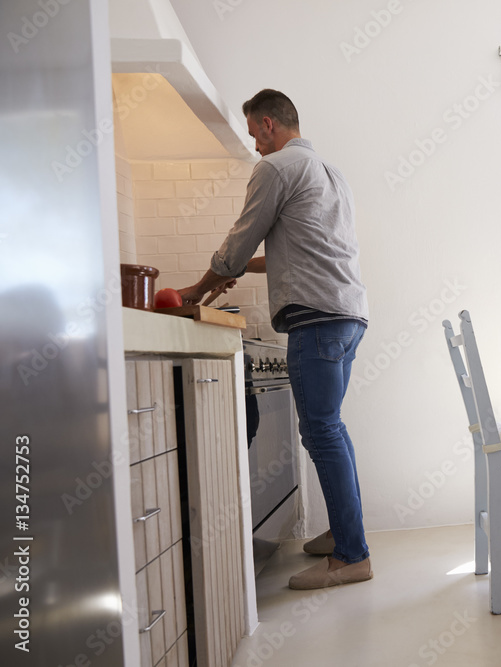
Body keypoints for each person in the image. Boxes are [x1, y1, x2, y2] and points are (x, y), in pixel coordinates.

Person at [178, 89, 372, 590]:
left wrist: (198, 288)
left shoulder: (275, 168)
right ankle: (344, 535)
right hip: (348, 316)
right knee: (333, 429)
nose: (255, 149)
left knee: (322, 431)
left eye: (253, 136)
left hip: (315, 319)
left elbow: (242, 238)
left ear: (267, 124)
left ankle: (352, 556)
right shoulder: (330, 172)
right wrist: (232, 273)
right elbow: (304, 248)